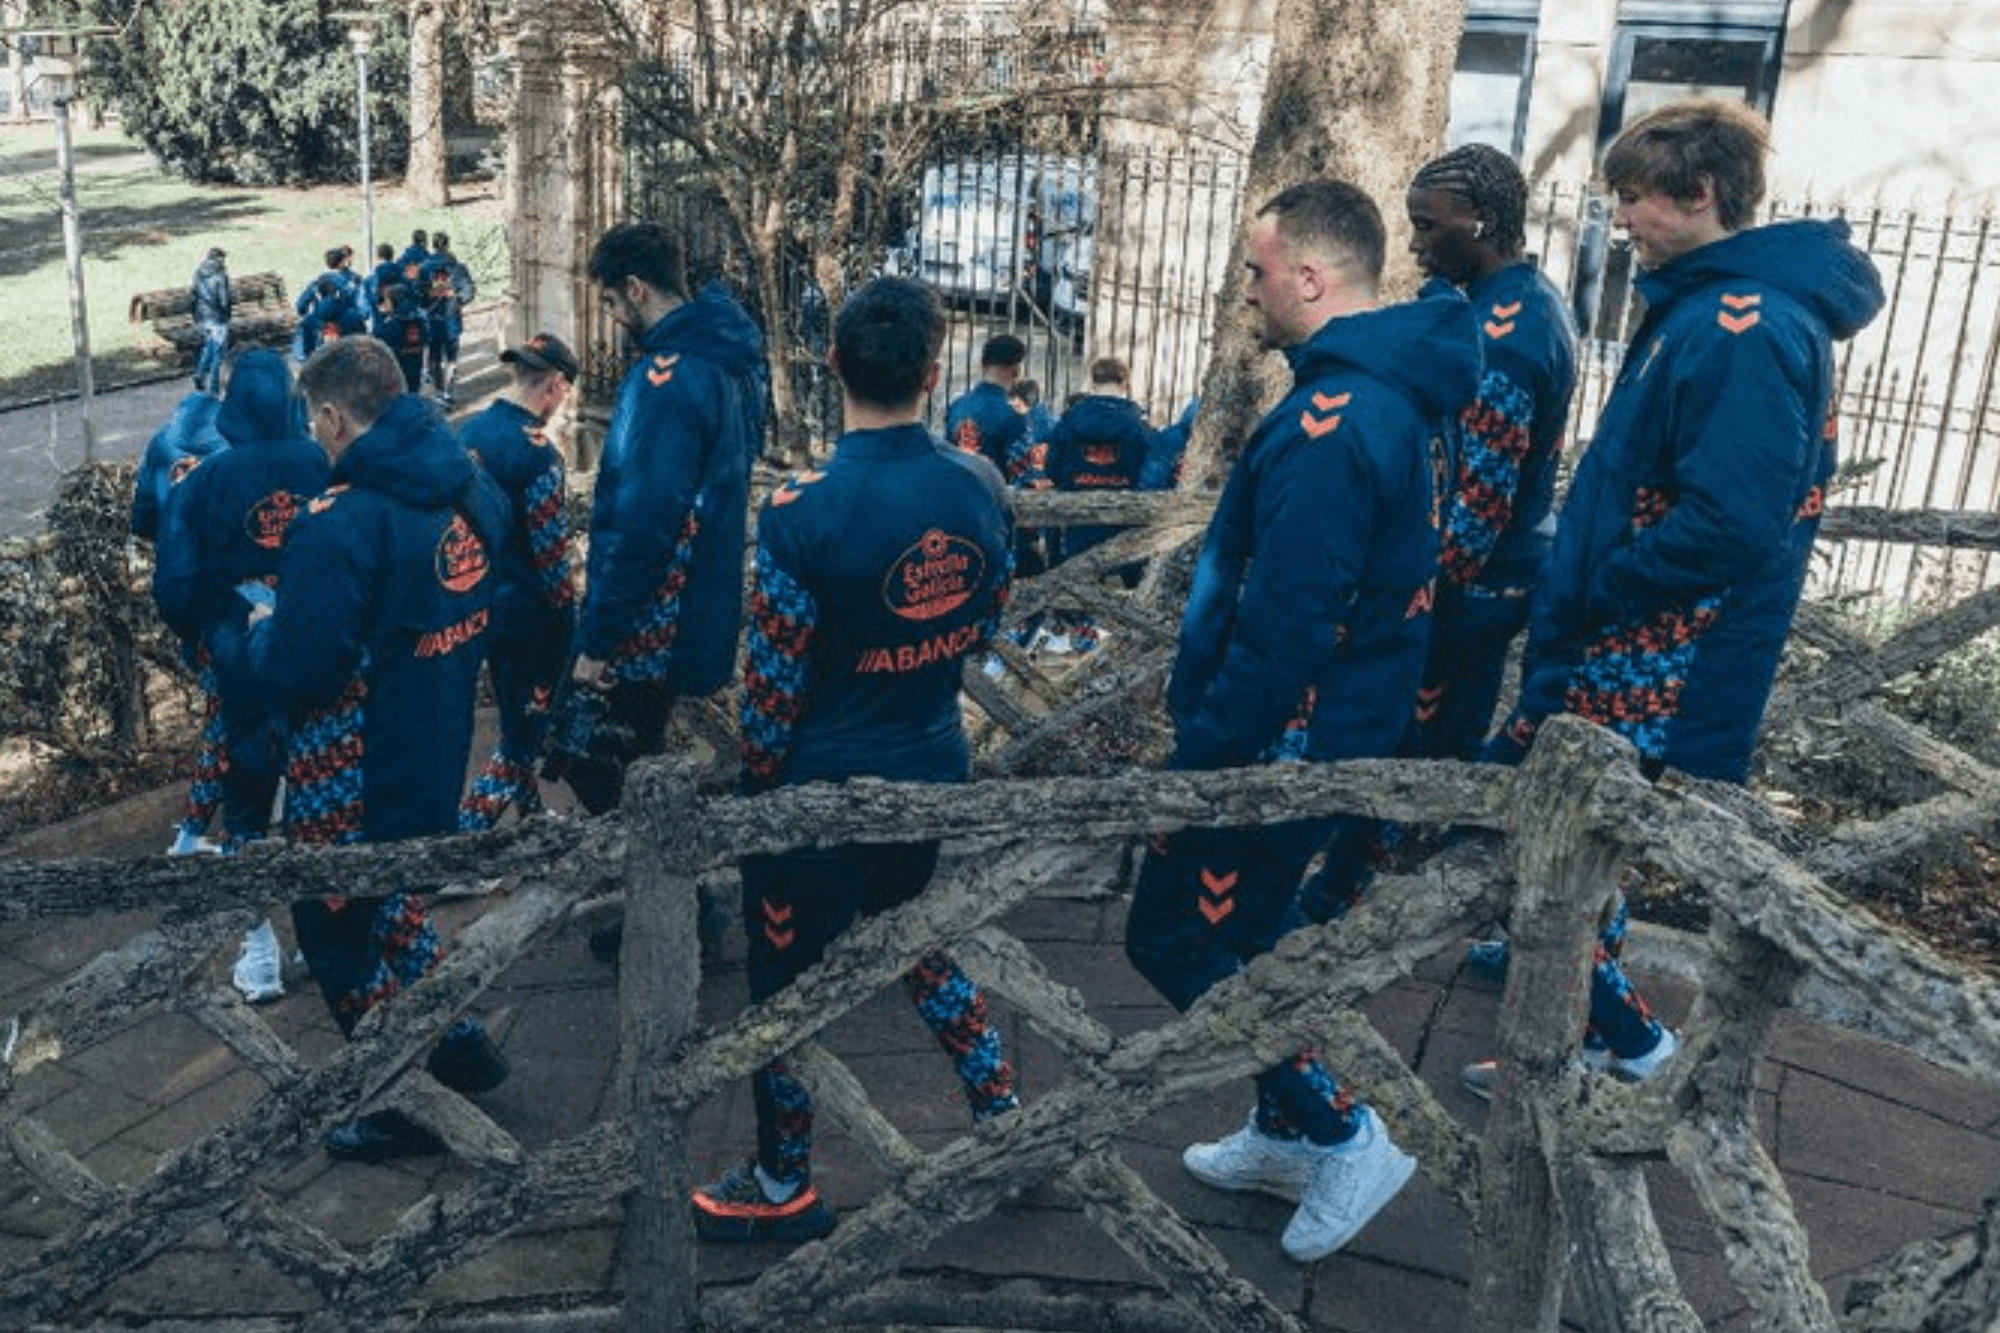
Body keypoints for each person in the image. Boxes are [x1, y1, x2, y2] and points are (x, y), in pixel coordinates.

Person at [1463, 100, 1884, 1099]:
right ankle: (1579, 1026)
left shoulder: (1742, 324)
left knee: (1545, 832)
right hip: (1634, 639)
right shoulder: (1709, 306)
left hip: (1655, 650)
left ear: (1698, 196)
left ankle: (1630, 1042)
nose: (1620, 220)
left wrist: (1603, 585)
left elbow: (1729, 521)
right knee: (1579, 843)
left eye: (1632, 199)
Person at [1122, 178, 1480, 1263]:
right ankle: (1288, 1124)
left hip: (1280, 752)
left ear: (1310, 278)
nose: (1246, 292)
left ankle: (1340, 1129)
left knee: (1177, 935)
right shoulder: (1370, 393)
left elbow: (1282, 632)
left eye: (1256, 271)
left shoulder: (1337, 419)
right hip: (1316, 736)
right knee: (1245, 935)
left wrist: (1201, 761)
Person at [692, 276, 1019, 1243]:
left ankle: (784, 1176)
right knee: (916, 944)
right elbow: (987, 625)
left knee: (785, 992)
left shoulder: (800, 511)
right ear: (932, 371)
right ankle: (1001, 1110)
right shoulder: (979, 482)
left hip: (815, 794)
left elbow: (774, 685)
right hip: (929, 759)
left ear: (831, 363)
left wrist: (757, 782)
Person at [245, 335, 515, 1162]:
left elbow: (299, 667)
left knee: (335, 929)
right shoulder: (473, 484)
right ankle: (458, 1034)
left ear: (331, 417)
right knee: (393, 899)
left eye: (314, 424)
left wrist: (259, 636)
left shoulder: (339, 522)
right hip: (433, 739)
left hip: (348, 764)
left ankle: (403, 1097)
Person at [1296, 143, 1580, 924]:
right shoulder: (1512, 301)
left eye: (1428, 225)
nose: (1416, 242)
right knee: (1409, 754)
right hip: (1485, 581)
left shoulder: (1508, 332)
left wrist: (1397, 594)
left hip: (1468, 592)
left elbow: (1476, 506)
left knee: (1411, 757)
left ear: (1481, 221)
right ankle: (1345, 897)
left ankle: (1352, 913)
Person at [543, 220, 764, 819]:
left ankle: (657, 895)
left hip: (648, 616)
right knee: (639, 753)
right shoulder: (735, 358)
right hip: (697, 597)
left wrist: (598, 639)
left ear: (637, 289)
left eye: (613, 301)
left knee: (599, 761)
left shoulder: (665, 378)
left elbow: (642, 520)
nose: (614, 316)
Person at [457, 333, 579, 829]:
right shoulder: (538, 456)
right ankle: (466, 837)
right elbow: (552, 560)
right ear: (555, 387)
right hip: (530, 619)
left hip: (477, 604)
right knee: (523, 733)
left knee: (514, 714)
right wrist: (569, 622)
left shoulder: (468, 433)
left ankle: (531, 814)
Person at [131, 387, 228, 856]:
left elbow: (140, 520)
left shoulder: (161, 442)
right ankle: (196, 833)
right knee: (229, 713)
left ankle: (208, 821)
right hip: (228, 596)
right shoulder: (234, 446)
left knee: (223, 700)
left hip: (179, 593)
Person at [418, 232, 478, 406]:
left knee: (435, 355)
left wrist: (427, 301)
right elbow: (469, 291)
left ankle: (439, 389)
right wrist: (457, 298)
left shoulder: (424, 268)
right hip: (452, 318)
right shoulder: (458, 267)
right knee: (451, 357)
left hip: (432, 319)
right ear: (448, 244)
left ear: (433, 245)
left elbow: (417, 293)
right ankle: (447, 392)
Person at [292, 246, 362, 362]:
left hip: (319, 333)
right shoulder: (353, 280)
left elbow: (300, 307)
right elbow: (362, 307)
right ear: (342, 261)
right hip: (348, 328)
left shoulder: (316, 283)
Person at [189, 246, 231, 395]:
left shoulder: (198, 272)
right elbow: (224, 301)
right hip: (218, 318)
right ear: (220, 259)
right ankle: (213, 388)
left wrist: (195, 316)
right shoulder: (221, 275)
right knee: (218, 353)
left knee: (208, 347)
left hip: (202, 317)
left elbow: (192, 295)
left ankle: (199, 376)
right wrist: (227, 317)